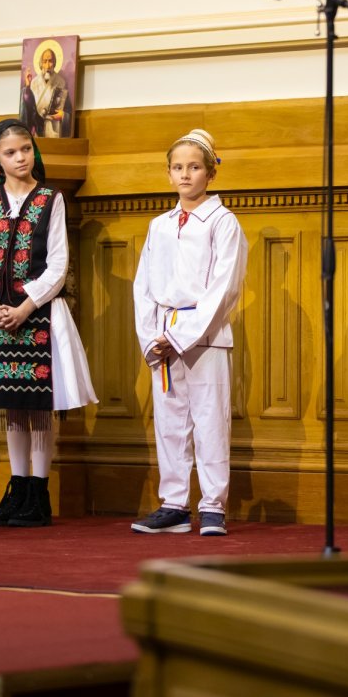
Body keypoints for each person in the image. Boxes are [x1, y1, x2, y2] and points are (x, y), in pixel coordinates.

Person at [0, 118, 97, 527]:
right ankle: (17, 486)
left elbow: (58, 265)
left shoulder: (50, 199)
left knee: (38, 405)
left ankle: (38, 493)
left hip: (39, 314)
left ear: (33, 149)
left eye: (25, 149)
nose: (20, 157)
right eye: (10, 152)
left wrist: (24, 306)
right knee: (13, 406)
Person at [131, 129, 247, 536]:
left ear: (210, 173)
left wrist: (182, 335)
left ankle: (213, 505)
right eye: (178, 167)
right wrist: (152, 335)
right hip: (163, 335)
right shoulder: (159, 225)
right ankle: (175, 504)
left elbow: (224, 287)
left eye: (194, 167)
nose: (185, 174)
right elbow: (142, 286)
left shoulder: (222, 222)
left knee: (211, 418)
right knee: (171, 420)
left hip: (205, 336)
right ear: (168, 174)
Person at [21, 44, 68, 138]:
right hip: (37, 126)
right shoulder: (34, 82)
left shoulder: (61, 82)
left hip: (53, 126)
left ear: (54, 63)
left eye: (50, 61)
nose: (47, 65)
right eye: (44, 61)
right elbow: (29, 106)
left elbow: (66, 109)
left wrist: (62, 115)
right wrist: (27, 86)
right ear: (41, 63)